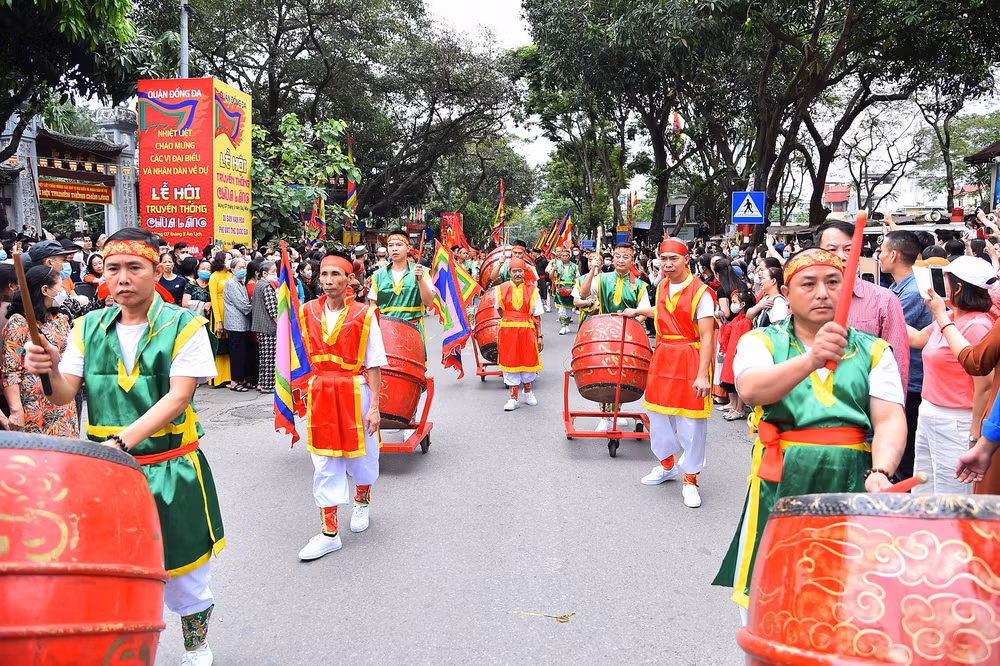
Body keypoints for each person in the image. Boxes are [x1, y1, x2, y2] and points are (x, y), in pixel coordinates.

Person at [23, 228, 224, 665]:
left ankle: (197, 649)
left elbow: (178, 397)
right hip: (106, 475)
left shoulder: (185, 325)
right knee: (111, 570)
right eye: (113, 268)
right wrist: (46, 369)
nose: (123, 277)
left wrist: (120, 442)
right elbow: (62, 394)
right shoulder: (85, 327)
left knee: (184, 571)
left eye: (135, 267)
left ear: (157, 270)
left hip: (171, 468)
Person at [712, 248, 905, 623]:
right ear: (787, 291)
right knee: (770, 594)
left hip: (852, 478)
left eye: (833, 283)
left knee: (846, 595)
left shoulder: (874, 350)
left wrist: (881, 471)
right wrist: (811, 359)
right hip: (782, 477)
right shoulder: (762, 341)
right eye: (809, 284)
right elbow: (750, 389)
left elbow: (889, 419)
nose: (822, 293)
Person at [296, 253, 387, 561]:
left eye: (336, 274)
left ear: (350, 279)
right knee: (324, 462)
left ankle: (362, 502)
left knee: (362, 457)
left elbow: (373, 362)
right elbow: (297, 354)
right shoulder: (306, 310)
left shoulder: (364, 314)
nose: (328, 280)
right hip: (321, 390)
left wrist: (375, 406)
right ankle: (329, 533)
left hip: (355, 390)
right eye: (324, 274)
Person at [623, 239, 715, 508]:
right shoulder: (662, 285)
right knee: (658, 415)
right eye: (663, 258)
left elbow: (708, 336)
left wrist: (703, 375)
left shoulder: (702, 292)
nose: (667, 263)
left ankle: (691, 479)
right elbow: (663, 312)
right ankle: (666, 465)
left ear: (686, 259)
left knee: (691, 422)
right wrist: (639, 311)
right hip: (663, 356)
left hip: (690, 355)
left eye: (673, 258)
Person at [905, 256, 994, 494]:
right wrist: (885, 309)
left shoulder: (977, 325)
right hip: (931, 412)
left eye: (945, 281)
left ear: (957, 288)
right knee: (925, 487)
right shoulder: (952, 318)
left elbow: (984, 385)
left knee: (952, 494)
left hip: (957, 421)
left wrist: (974, 435)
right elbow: (916, 339)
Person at [816, 220, 910, 390]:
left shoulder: (884, 300)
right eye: (832, 249)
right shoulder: (804, 299)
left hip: (864, 405)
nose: (842, 256)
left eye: (848, 250)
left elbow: (898, 363)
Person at [879, 230, 933, 479]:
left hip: (912, 382)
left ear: (894, 255)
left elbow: (892, 331)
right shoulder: (902, 286)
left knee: (905, 453)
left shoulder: (911, 292)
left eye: (881, 250)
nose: (878, 256)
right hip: (909, 379)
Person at [579, 243, 651, 431]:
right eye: (617, 256)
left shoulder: (640, 285)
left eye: (625, 257)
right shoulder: (601, 279)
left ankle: (616, 411)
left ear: (632, 260)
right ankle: (605, 416)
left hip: (628, 335)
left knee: (623, 372)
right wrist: (593, 270)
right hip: (603, 333)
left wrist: (634, 318)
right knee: (603, 370)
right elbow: (583, 293)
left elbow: (643, 312)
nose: (620, 260)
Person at [2, 265, 77, 435]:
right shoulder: (18, 322)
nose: (62, 292)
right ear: (45, 290)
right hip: (33, 404)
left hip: (62, 401)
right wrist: (16, 410)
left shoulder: (60, 320)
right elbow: (10, 371)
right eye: (59, 287)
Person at [367, 231, 435, 344]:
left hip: (413, 330)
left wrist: (420, 280)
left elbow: (428, 302)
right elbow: (373, 304)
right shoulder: (378, 275)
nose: (394, 249)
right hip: (386, 332)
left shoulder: (422, 271)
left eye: (399, 245)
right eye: (391, 245)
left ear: (408, 248)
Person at [495, 257, 543, 411]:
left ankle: (528, 392)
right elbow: (499, 309)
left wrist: (540, 336)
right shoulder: (501, 288)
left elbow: (537, 315)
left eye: (520, 271)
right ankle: (513, 399)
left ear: (524, 272)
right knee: (510, 362)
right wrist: (510, 319)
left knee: (528, 360)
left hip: (527, 331)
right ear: (509, 272)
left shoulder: (533, 290)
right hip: (508, 331)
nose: (517, 274)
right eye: (514, 271)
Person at [222, 257, 253, 392]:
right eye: (239, 268)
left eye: (244, 267)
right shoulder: (231, 284)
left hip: (243, 324)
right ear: (233, 269)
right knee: (237, 353)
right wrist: (255, 306)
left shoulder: (240, 282)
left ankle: (242, 379)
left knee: (244, 353)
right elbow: (242, 305)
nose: (242, 270)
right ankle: (235, 381)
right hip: (235, 324)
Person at [251, 261, 279, 393]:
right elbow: (273, 310)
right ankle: (268, 385)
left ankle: (262, 383)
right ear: (264, 273)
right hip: (268, 326)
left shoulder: (258, 285)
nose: (275, 274)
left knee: (264, 357)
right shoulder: (267, 287)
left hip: (260, 326)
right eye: (273, 271)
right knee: (270, 357)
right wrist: (280, 324)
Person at [208, 251, 232, 388]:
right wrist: (218, 320)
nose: (230, 261)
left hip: (230, 312)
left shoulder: (230, 275)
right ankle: (217, 378)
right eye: (228, 259)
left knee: (229, 345)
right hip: (219, 312)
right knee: (219, 344)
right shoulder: (214, 277)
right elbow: (214, 300)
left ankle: (228, 376)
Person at [548, 246, 579, 335]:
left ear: (569, 256)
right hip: (560, 290)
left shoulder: (574, 266)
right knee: (561, 309)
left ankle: (567, 324)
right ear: (560, 257)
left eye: (566, 255)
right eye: (563, 256)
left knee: (569, 311)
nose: (565, 257)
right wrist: (553, 270)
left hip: (571, 290)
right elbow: (551, 277)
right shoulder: (556, 266)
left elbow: (578, 278)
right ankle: (563, 326)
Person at [532, 248, 550, 312]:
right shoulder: (535, 260)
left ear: (537, 253)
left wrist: (547, 280)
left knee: (545, 293)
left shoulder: (543, 260)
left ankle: (547, 306)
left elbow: (547, 270)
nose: (532, 254)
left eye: (533, 252)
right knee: (538, 292)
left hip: (543, 278)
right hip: (537, 278)